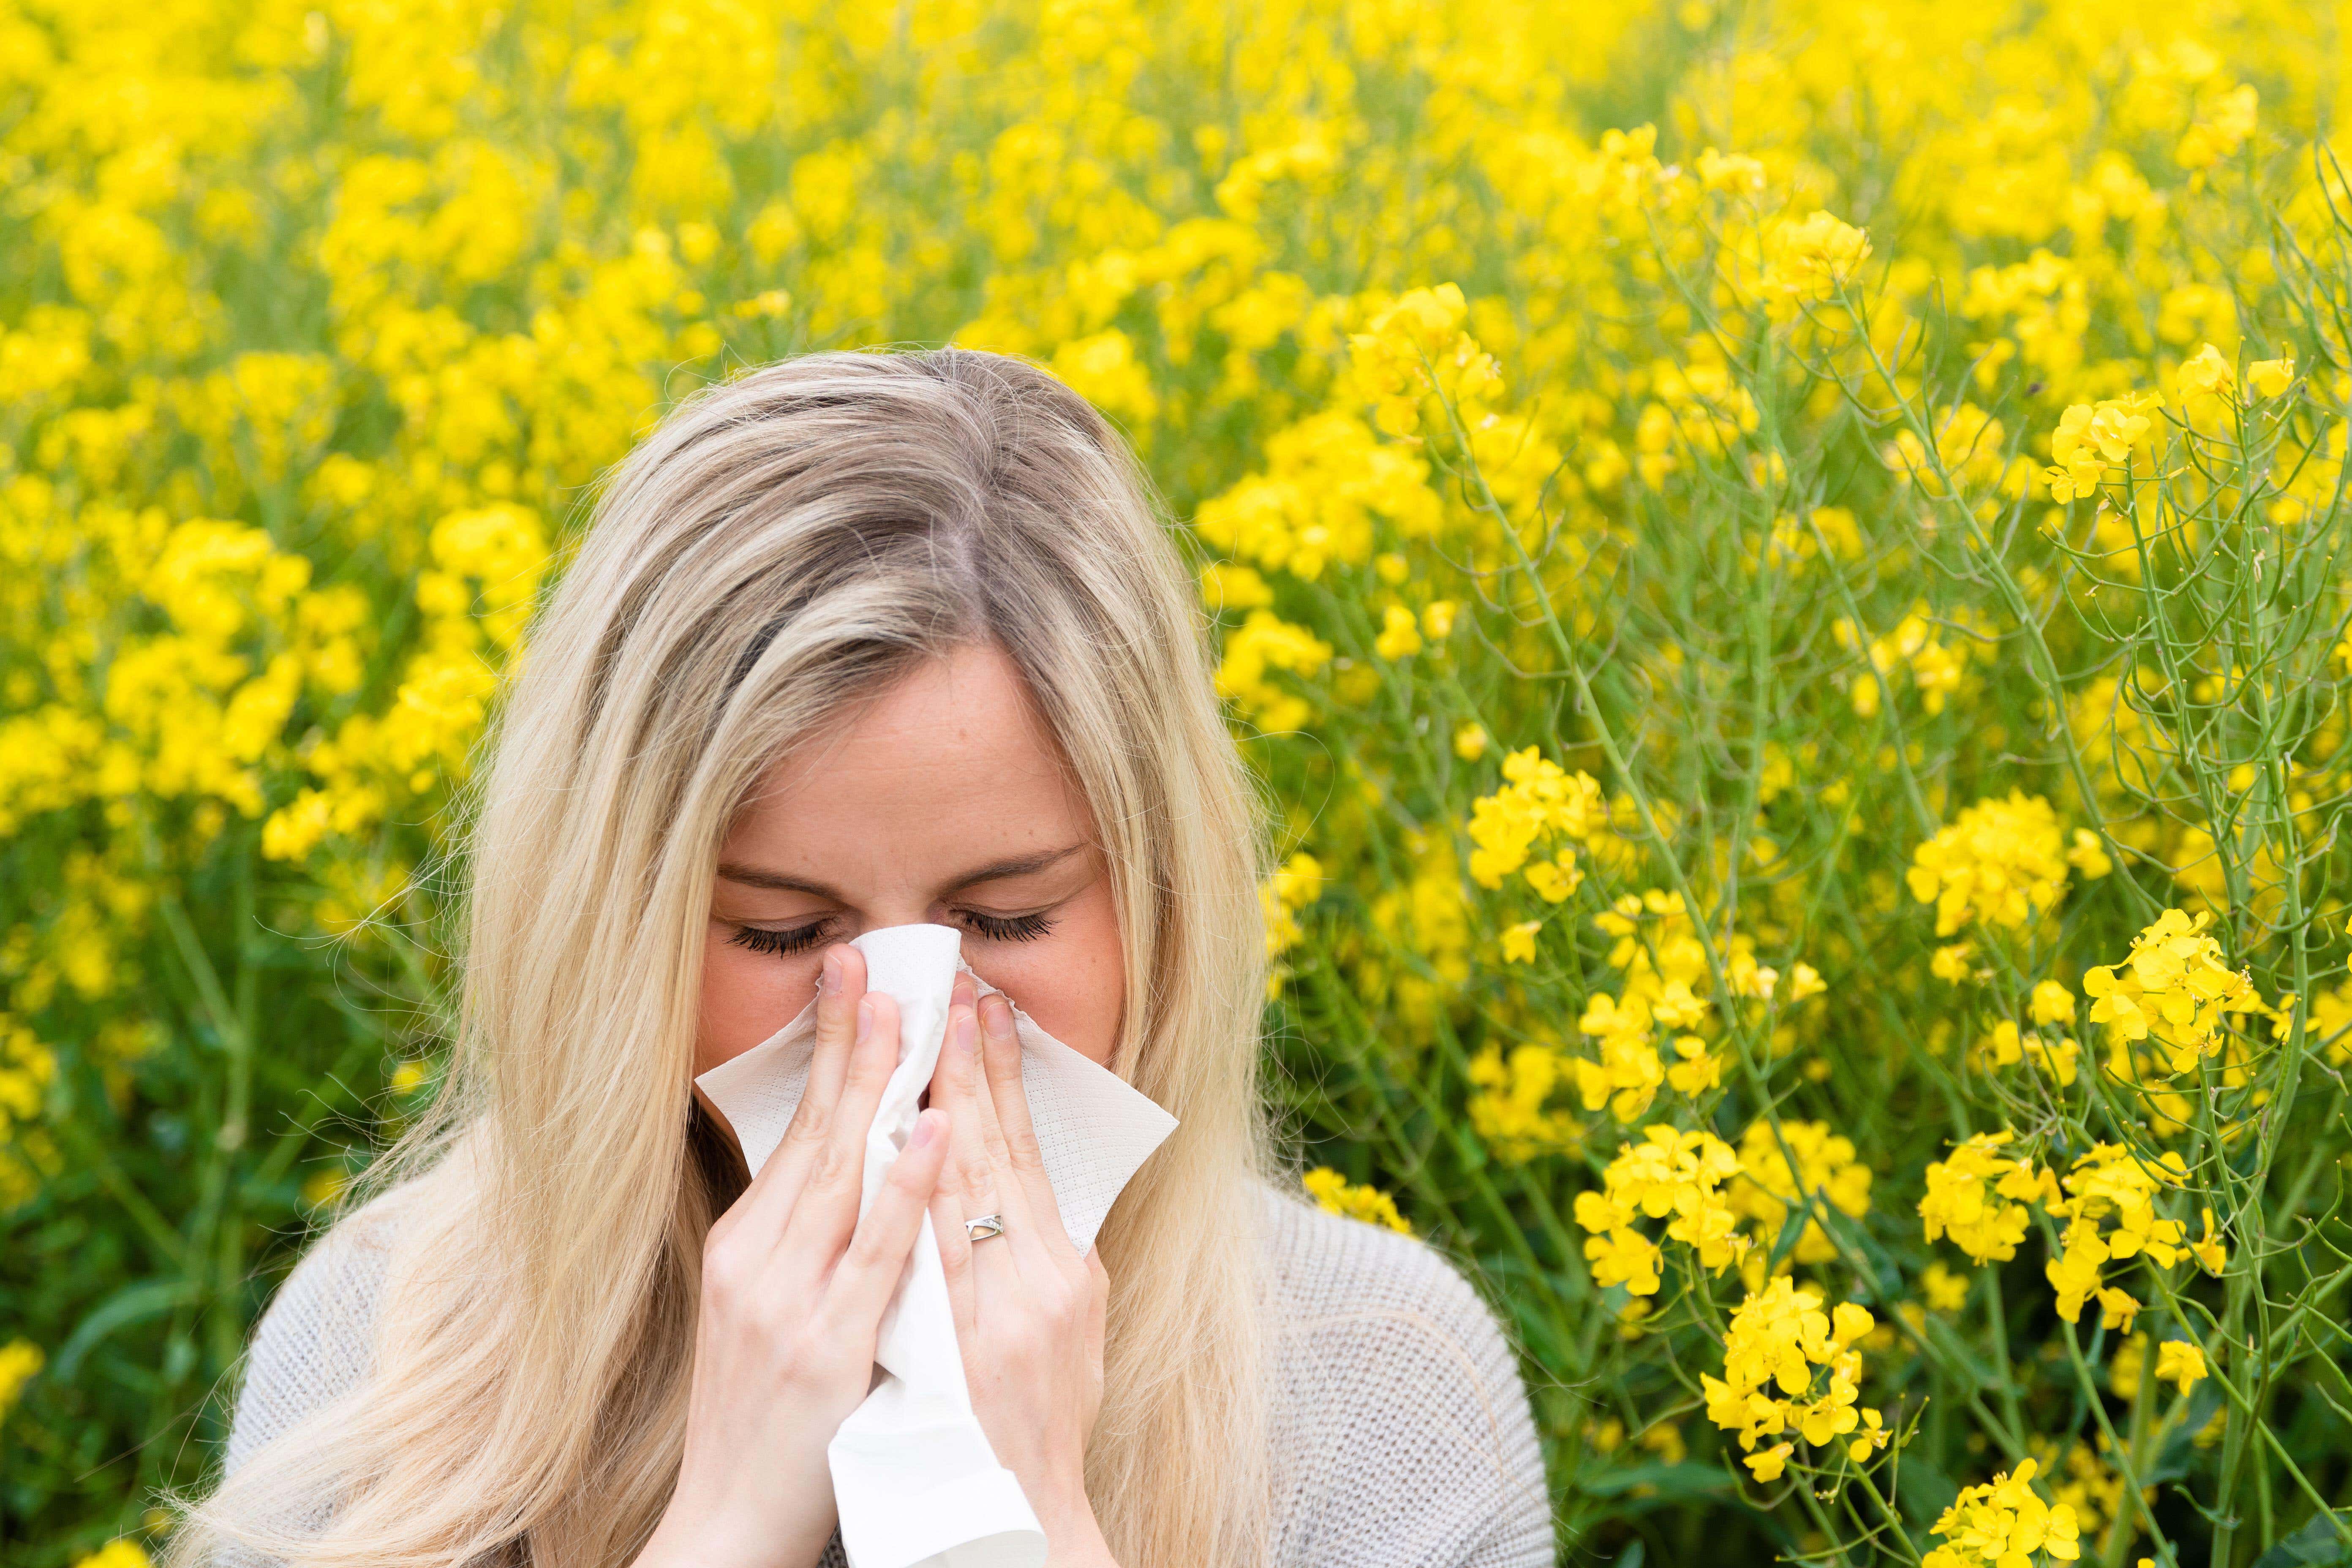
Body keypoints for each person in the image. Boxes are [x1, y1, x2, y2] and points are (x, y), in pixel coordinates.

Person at [168, 349, 1554, 1568]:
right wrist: (723, 1530)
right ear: (614, 942)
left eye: (1007, 920)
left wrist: (1031, 1531)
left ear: (1163, 907)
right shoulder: (398, 1356)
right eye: (782, 931)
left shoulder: (1377, 1384)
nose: (905, 1022)